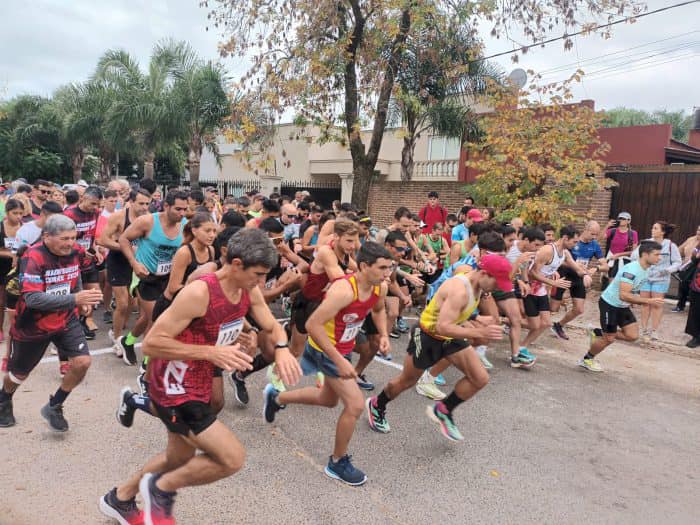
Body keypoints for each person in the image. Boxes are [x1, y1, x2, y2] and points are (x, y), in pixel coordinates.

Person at [100, 228, 301, 524]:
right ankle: (159, 489)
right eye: (257, 274)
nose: (261, 282)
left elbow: (272, 326)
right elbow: (153, 343)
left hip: (199, 379)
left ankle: (120, 498)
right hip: (174, 386)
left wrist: (280, 347)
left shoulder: (248, 288)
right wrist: (211, 352)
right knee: (232, 458)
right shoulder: (199, 292)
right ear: (235, 264)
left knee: (177, 458)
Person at [263, 241, 391, 486]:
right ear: (364, 266)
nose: (387, 273)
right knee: (354, 405)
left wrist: (383, 334)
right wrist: (338, 360)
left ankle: (277, 398)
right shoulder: (344, 290)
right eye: (382, 268)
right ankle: (337, 462)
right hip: (326, 349)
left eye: (389, 267)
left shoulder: (380, 288)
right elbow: (312, 325)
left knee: (328, 400)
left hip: (342, 349)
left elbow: (378, 311)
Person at [366, 254, 511, 442]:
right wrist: (480, 332)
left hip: (450, 336)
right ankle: (377, 404)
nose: (499, 287)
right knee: (406, 381)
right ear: (484, 273)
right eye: (497, 282)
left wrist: (476, 319)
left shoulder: (478, 285)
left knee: (480, 378)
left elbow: (450, 311)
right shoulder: (460, 290)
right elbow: (443, 326)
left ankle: (444, 410)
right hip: (428, 336)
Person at [0, 215, 103, 430]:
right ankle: (4, 398)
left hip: (66, 319)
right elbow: (33, 298)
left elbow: (77, 273)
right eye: (64, 238)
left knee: (82, 362)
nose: (69, 243)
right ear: (46, 236)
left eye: (73, 238)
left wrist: (81, 297)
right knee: (18, 375)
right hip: (33, 324)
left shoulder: (75, 250)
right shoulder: (34, 256)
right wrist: (76, 298)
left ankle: (55, 405)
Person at [116, 190, 188, 366]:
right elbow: (124, 239)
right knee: (158, 319)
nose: (182, 213)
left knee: (150, 317)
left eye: (185, 209)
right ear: (166, 206)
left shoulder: (186, 225)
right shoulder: (148, 221)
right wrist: (134, 263)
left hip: (168, 278)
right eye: (178, 209)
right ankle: (148, 363)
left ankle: (128, 342)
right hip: (145, 276)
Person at [580, 241, 663, 372]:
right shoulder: (632, 270)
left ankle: (597, 332)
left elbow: (630, 294)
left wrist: (637, 300)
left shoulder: (646, 269)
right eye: (657, 254)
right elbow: (623, 295)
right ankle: (587, 359)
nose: (660, 257)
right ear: (645, 254)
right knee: (609, 338)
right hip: (610, 304)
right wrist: (648, 301)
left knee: (632, 335)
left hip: (622, 306)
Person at [99, 189, 153, 361]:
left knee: (132, 304)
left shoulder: (150, 218)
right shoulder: (119, 217)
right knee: (122, 303)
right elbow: (103, 240)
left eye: (147, 203)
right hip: (118, 261)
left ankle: (120, 333)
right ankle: (116, 338)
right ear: (130, 202)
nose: (145, 207)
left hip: (138, 263)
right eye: (141, 203)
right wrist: (125, 247)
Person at [521, 226, 591, 358]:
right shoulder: (547, 251)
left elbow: (577, 269)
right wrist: (552, 282)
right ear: (565, 238)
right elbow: (531, 273)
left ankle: (522, 347)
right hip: (530, 287)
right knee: (533, 323)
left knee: (546, 323)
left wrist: (587, 274)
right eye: (574, 242)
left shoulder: (565, 253)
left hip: (541, 289)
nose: (576, 245)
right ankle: (503, 321)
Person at [550, 221, 606, 340]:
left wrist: (595, 268)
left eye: (596, 235)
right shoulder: (572, 242)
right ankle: (531, 317)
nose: (594, 237)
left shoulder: (594, 245)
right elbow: (562, 260)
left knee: (579, 309)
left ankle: (559, 325)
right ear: (585, 229)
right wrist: (575, 265)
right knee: (553, 308)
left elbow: (605, 266)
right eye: (592, 234)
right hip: (564, 274)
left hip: (579, 277)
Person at [63, 185, 104, 339]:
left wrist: (96, 249)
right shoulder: (69, 214)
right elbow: (62, 237)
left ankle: (84, 320)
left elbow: (91, 235)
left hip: (88, 259)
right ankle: (74, 325)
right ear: (83, 198)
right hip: (71, 260)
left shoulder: (96, 213)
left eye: (98, 205)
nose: (95, 207)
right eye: (93, 203)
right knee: (77, 294)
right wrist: (79, 249)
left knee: (94, 293)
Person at [632, 221, 682, 341]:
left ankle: (654, 331)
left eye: (655, 228)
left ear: (662, 232)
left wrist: (667, 270)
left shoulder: (670, 245)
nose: (652, 230)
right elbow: (634, 256)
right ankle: (643, 330)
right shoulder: (647, 243)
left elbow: (678, 262)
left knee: (656, 305)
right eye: (652, 227)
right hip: (645, 278)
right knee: (645, 304)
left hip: (661, 279)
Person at [0, 199, 23, 342]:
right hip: (2, 268)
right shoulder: (0, 227)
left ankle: (18, 329)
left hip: (19, 269)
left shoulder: (25, 228)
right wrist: (10, 254)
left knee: (20, 300)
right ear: (7, 213)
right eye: (15, 213)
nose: (19, 216)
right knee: (1, 301)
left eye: (21, 213)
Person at [603, 212, 638, 288]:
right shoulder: (613, 231)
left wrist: (619, 254)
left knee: (623, 284)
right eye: (620, 218)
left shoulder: (633, 233)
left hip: (626, 261)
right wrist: (607, 226)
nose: (621, 220)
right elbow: (599, 238)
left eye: (623, 219)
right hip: (613, 260)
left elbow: (633, 252)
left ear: (628, 221)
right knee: (611, 283)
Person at [674, 225, 700, 312]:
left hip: (697, 269)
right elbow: (679, 250)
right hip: (686, 266)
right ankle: (680, 305)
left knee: (695, 289)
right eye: (698, 230)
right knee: (683, 286)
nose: (699, 232)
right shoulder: (690, 239)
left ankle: (694, 308)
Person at [684, 241, 700, 348]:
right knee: (695, 310)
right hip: (698, 282)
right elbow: (693, 259)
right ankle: (696, 336)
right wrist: (697, 256)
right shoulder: (699, 246)